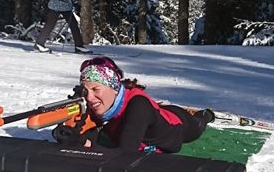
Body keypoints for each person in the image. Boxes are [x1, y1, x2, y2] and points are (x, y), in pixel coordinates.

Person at [53, 56, 215, 153]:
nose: (90, 98)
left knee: (199, 124)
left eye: (96, 89)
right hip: (148, 114)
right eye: (85, 91)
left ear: (114, 88)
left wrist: (82, 143)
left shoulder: (138, 107)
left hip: (179, 124)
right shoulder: (101, 103)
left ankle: (206, 115)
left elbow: (124, 156)